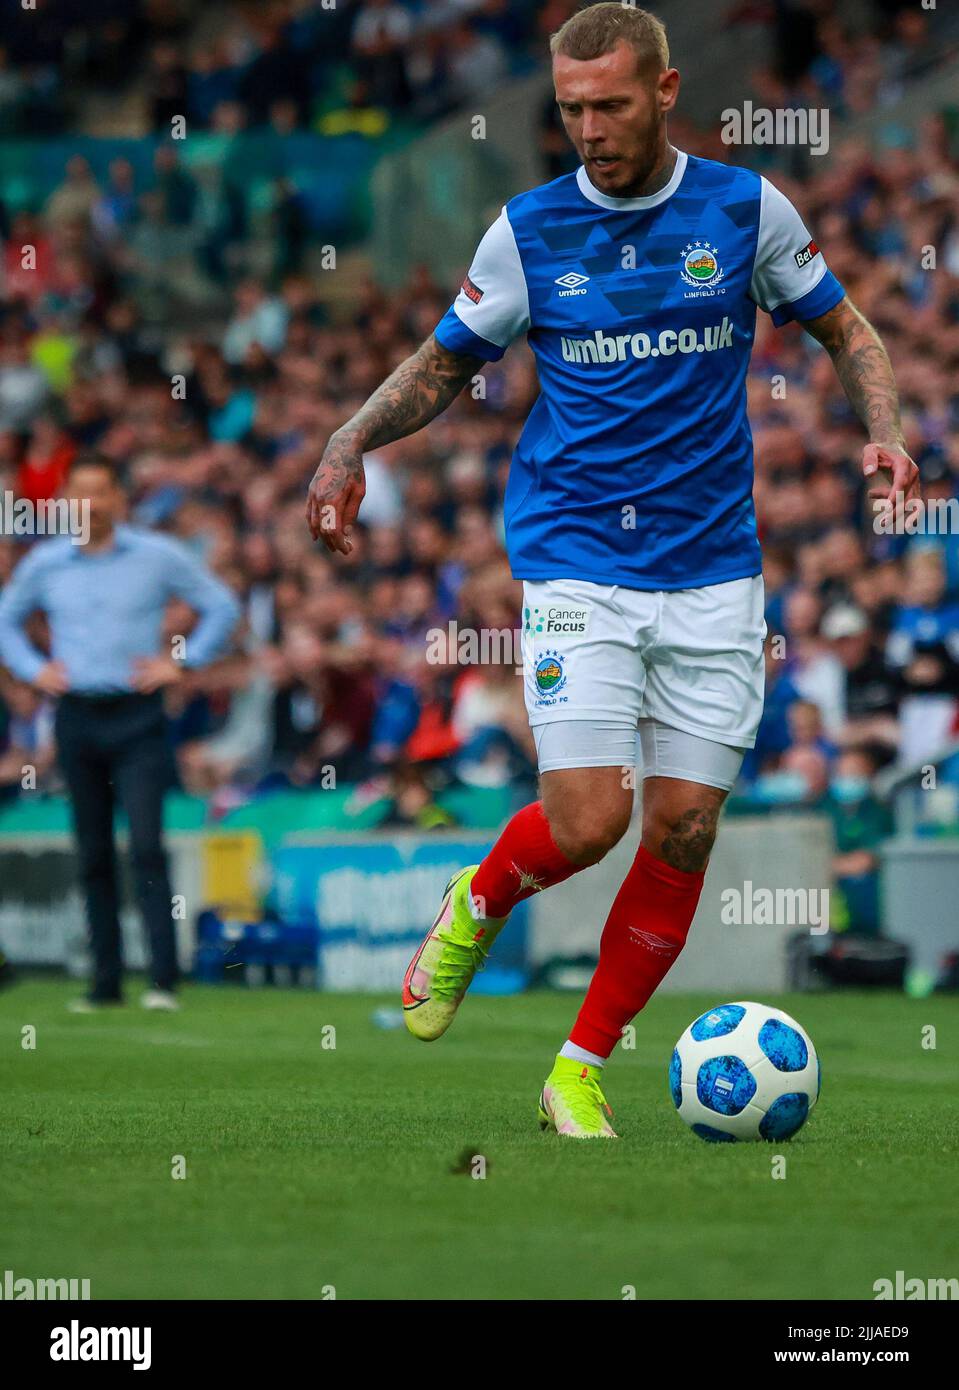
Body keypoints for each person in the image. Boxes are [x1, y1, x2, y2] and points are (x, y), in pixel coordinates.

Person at [305, 4, 919, 1137]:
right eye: (571, 108)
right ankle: (475, 901)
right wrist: (348, 441)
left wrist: (878, 426)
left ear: (665, 90)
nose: (588, 128)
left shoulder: (743, 210)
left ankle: (577, 1066)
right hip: (577, 555)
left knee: (681, 827)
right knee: (586, 820)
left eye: (610, 105)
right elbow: (445, 364)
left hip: (712, 568)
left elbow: (847, 332)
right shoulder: (526, 231)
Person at [0, 454, 240, 1012]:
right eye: (78, 493)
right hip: (76, 715)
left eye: (100, 491)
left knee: (148, 848)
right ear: (65, 501)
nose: (89, 503)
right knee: (91, 853)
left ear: (117, 499)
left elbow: (221, 605)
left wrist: (181, 663)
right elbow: (6, 620)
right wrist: (35, 670)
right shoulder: (46, 563)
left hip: (138, 716)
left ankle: (162, 979)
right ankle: (105, 982)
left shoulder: (156, 556)